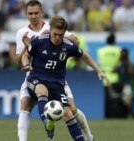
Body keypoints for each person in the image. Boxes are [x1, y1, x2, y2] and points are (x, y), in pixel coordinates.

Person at [15, 1, 95, 141]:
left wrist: (55, 36)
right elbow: (18, 59)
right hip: (34, 75)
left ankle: (88, 136)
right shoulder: (22, 33)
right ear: (26, 14)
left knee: (72, 111)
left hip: (56, 77)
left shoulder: (52, 27)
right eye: (30, 13)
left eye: (36, 13)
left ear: (42, 12)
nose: (33, 16)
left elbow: (75, 41)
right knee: (25, 104)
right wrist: (26, 48)